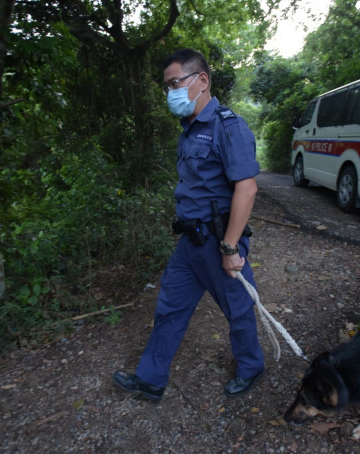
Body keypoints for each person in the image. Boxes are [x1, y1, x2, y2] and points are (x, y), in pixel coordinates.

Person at [112, 48, 265, 401]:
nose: (170, 92)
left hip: (219, 241)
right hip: (189, 241)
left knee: (238, 309)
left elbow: (247, 187)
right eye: (166, 86)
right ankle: (151, 379)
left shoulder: (229, 126)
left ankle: (251, 367)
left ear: (202, 81)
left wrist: (229, 247)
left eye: (175, 83)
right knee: (170, 307)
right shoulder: (189, 130)